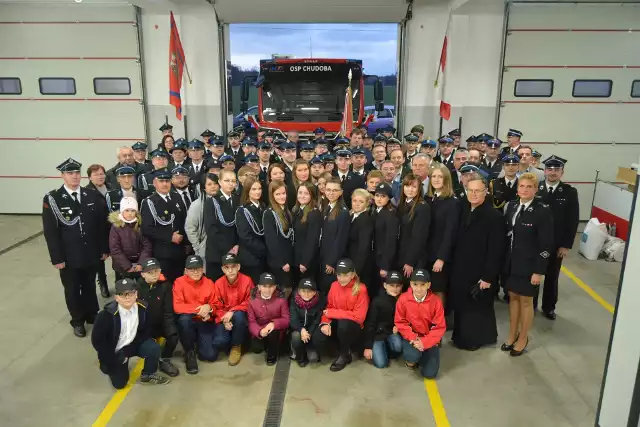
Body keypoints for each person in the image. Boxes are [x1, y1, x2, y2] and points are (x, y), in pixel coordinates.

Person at [42, 158, 110, 337]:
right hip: (69, 256)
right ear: (63, 175)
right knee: (72, 289)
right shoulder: (53, 199)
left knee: (89, 285)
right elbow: (51, 231)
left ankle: (91, 314)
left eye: (77, 173)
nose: (74, 177)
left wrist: (104, 249)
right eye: (70, 173)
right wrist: (57, 258)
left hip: (91, 252)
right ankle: (77, 320)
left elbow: (101, 225)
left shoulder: (91, 195)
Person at [449, 177, 505, 350]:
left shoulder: (493, 216)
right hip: (461, 268)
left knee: (477, 308)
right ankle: (460, 336)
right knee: (462, 305)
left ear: (485, 192)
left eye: (477, 191)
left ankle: (474, 339)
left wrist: (488, 276)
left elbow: (496, 250)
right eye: (470, 190)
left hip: (480, 270)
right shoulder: (463, 210)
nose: (473, 194)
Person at [502, 172, 554, 357]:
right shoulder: (512, 206)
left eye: (528, 187)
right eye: (521, 186)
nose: (524, 190)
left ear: (535, 189)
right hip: (511, 263)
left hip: (529, 265)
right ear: (517, 189)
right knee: (513, 298)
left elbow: (546, 244)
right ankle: (511, 334)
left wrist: (539, 271)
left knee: (526, 301)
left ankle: (523, 337)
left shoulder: (542, 210)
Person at [91, 278, 170, 388]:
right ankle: (113, 366)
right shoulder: (105, 315)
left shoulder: (143, 308)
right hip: (116, 350)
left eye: (131, 293)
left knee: (153, 348)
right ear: (116, 297)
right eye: (123, 294)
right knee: (120, 384)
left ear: (136, 294)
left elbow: (146, 330)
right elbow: (98, 342)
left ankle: (148, 375)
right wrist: (114, 357)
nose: (127, 297)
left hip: (134, 343)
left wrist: (141, 343)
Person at [535, 155, 579, 320]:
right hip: (536, 242)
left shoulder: (569, 192)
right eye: (549, 169)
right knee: (533, 274)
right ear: (544, 171)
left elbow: (573, 221)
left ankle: (549, 307)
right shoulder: (535, 188)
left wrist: (565, 245)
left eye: (556, 170)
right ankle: (531, 304)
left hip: (555, 243)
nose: (552, 173)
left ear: (562, 172)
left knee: (552, 277)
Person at [319, 259, 370, 372]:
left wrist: (334, 313)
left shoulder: (361, 289)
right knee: (321, 334)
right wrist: (325, 322)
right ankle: (336, 348)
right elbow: (329, 308)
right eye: (339, 275)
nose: (341, 279)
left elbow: (359, 317)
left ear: (352, 275)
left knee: (343, 324)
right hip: (338, 322)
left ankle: (345, 355)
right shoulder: (334, 286)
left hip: (354, 327)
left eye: (345, 275)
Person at [394, 269, 445, 378]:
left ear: (429, 285)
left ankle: (424, 354)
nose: (418, 288)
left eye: (423, 284)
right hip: (412, 338)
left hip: (428, 337)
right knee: (413, 356)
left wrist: (425, 342)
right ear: (411, 284)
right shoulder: (403, 300)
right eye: (415, 284)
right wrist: (413, 338)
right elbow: (400, 322)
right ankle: (412, 359)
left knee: (430, 374)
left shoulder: (436, 302)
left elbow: (439, 327)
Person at [140, 169, 188, 283]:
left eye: (167, 181)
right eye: (161, 181)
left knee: (180, 282)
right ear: (155, 183)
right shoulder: (149, 202)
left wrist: (185, 242)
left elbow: (183, 220)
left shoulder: (177, 197)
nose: (165, 184)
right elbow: (146, 228)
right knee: (166, 284)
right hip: (163, 252)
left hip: (180, 250)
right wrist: (169, 236)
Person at [134, 258, 180, 376]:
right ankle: (152, 362)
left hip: (161, 323)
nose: (154, 275)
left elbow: (168, 311)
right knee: (150, 347)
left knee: (174, 335)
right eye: (150, 272)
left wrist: (171, 330)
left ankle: (165, 359)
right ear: (143, 274)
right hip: (144, 326)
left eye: (156, 271)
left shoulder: (165, 286)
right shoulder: (136, 289)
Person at [173, 255, 217, 374]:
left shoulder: (209, 283)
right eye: (192, 269)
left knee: (210, 356)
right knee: (184, 320)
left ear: (203, 269)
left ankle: (199, 341)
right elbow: (177, 307)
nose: (196, 272)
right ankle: (189, 352)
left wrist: (210, 308)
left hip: (205, 321)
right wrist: (201, 309)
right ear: (186, 271)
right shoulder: (179, 282)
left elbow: (216, 304)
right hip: (190, 319)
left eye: (198, 268)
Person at [426, 164, 460, 309]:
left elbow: (450, 232)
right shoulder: (428, 200)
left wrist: (441, 258)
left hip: (440, 256)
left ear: (447, 179)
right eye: (433, 176)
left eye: (440, 176)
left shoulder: (452, 203)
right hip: (426, 253)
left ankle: (438, 323)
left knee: (438, 290)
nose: (436, 179)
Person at [212, 253, 254, 366]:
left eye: (233, 267)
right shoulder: (218, 283)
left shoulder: (247, 280)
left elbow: (251, 301)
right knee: (219, 342)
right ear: (222, 269)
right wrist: (224, 319)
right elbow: (216, 305)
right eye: (227, 267)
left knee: (239, 315)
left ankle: (236, 346)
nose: (230, 270)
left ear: (238, 267)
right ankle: (233, 338)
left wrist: (233, 311)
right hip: (224, 317)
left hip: (241, 316)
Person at [204, 170, 240, 280]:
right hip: (217, 254)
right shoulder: (212, 201)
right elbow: (211, 230)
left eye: (233, 181)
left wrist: (237, 245)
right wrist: (228, 248)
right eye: (227, 180)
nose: (230, 184)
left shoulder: (238, 199)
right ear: (219, 182)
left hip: (236, 251)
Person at [248, 272, 290, 365]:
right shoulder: (252, 301)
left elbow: (286, 319)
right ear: (259, 287)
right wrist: (259, 331)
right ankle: (266, 345)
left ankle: (272, 354)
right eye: (264, 286)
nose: (267, 290)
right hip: (261, 329)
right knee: (256, 348)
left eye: (270, 286)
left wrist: (274, 324)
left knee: (273, 334)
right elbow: (251, 322)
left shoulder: (281, 300)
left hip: (275, 331)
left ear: (275, 287)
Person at [363, 271, 403, 368]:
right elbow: (370, 324)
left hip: (392, 332)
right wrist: (368, 346)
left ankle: (388, 348)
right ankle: (381, 346)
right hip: (378, 335)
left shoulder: (404, 300)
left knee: (398, 347)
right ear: (385, 285)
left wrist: (399, 327)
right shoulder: (377, 301)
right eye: (391, 285)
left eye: (398, 286)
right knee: (381, 364)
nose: (395, 289)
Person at [263, 180, 295, 298]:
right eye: (278, 194)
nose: (282, 196)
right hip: (278, 262)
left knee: (289, 290)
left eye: (283, 193)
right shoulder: (269, 213)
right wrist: (282, 262)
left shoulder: (286, 211)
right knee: (282, 292)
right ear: (272, 196)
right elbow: (271, 241)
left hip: (289, 259)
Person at [319, 177, 351, 293]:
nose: (331, 193)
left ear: (341, 192)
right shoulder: (327, 207)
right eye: (328, 190)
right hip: (323, 255)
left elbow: (340, 240)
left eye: (334, 190)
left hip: (331, 260)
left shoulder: (343, 212)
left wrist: (331, 262)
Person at [396, 173, 431, 280]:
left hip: (413, 259)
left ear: (419, 188)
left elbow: (419, 237)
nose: (410, 189)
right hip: (401, 254)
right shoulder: (402, 204)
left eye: (414, 187)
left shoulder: (422, 207)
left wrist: (410, 261)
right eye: (407, 186)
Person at [108, 197, 152, 281]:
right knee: (125, 290)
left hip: (139, 265)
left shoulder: (140, 225)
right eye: (127, 210)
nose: (130, 213)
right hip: (122, 267)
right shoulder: (116, 227)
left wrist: (141, 263)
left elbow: (147, 245)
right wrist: (127, 266)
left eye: (133, 211)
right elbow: (115, 249)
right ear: (122, 211)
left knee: (140, 289)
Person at [235, 177, 267, 285]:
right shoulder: (242, 210)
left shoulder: (263, 207)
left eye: (259, 188)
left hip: (263, 258)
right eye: (253, 189)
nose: (257, 192)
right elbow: (245, 236)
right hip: (250, 258)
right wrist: (264, 249)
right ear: (247, 191)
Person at [86, 164, 111, 298]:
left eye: (102, 174)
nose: (100, 177)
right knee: (99, 261)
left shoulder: (111, 187)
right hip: (98, 231)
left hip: (113, 228)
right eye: (96, 175)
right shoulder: (87, 192)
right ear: (90, 177)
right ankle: (103, 284)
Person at [290, 277, 327, 367]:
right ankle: (299, 354)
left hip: (312, 329)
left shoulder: (321, 301)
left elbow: (317, 320)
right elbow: (293, 319)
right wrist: (301, 330)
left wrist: (308, 333)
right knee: (295, 336)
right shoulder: (293, 300)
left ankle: (310, 348)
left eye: (310, 291)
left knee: (313, 359)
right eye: (303, 291)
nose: (306, 294)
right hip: (299, 329)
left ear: (315, 292)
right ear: (299, 291)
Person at [372, 182, 399, 295]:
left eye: (383, 196)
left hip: (383, 259)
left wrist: (385, 265)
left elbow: (390, 242)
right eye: (377, 195)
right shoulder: (374, 210)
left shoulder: (390, 214)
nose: (379, 199)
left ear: (389, 198)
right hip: (374, 257)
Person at [292, 181, 322, 281]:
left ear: (312, 196)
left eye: (306, 193)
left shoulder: (314, 213)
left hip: (306, 262)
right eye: (300, 193)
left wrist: (305, 262)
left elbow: (312, 240)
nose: (302, 196)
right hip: (296, 258)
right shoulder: (296, 210)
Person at [185, 173, 219, 261]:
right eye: (209, 184)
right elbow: (190, 228)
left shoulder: (223, 202)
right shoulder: (197, 205)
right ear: (204, 187)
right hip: (204, 249)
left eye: (215, 183)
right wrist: (197, 247)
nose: (213, 186)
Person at [347, 189, 374, 291]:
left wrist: (356, 270)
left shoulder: (365, 219)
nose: (357, 204)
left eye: (361, 202)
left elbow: (364, 246)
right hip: (351, 260)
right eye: (355, 201)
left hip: (360, 265)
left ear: (367, 203)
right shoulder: (351, 215)